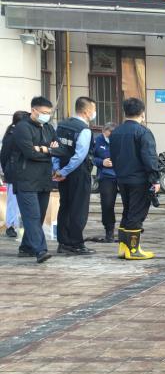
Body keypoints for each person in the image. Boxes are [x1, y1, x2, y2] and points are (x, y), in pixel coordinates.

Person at [108, 97, 160, 260]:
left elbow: (113, 156)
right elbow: (149, 157)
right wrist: (155, 179)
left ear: (125, 112)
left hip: (122, 178)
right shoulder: (143, 132)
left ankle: (123, 248)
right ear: (142, 113)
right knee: (136, 214)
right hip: (139, 180)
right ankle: (133, 250)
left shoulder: (116, 132)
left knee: (128, 212)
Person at [9, 97, 56, 263]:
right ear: (33, 110)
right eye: (43, 112)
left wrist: (43, 149)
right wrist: (48, 151)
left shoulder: (49, 127)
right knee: (32, 216)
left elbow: (60, 150)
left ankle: (26, 247)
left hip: (44, 179)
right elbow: (29, 153)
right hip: (26, 179)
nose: (46, 115)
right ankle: (40, 250)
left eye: (49, 113)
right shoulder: (22, 128)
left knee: (39, 216)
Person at [51, 96, 97, 256]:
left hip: (63, 172)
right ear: (86, 111)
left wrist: (58, 170)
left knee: (65, 207)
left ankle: (63, 242)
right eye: (93, 110)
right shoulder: (84, 130)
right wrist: (64, 171)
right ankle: (76, 243)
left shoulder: (61, 125)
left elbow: (55, 149)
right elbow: (79, 156)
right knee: (78, 209)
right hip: (77, 173)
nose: (94, 113)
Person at [1, 111, 29, 239]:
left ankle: (17, 224)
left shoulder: (18, 133)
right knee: (13, 201)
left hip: (20, 172)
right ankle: (11, 225)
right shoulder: (11, 135)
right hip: (13, 172)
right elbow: (4, 155)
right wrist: (6, 170)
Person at [90, 122, 118, 243]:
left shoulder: (120, 140)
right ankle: (109, 232)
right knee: (107, 205)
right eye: (108, 135)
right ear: (103, 132)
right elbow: (90, 157)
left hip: (122, 176)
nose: (110, 138)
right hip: (106, 177)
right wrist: (102, 162)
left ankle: (129, 230)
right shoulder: (97, 141)